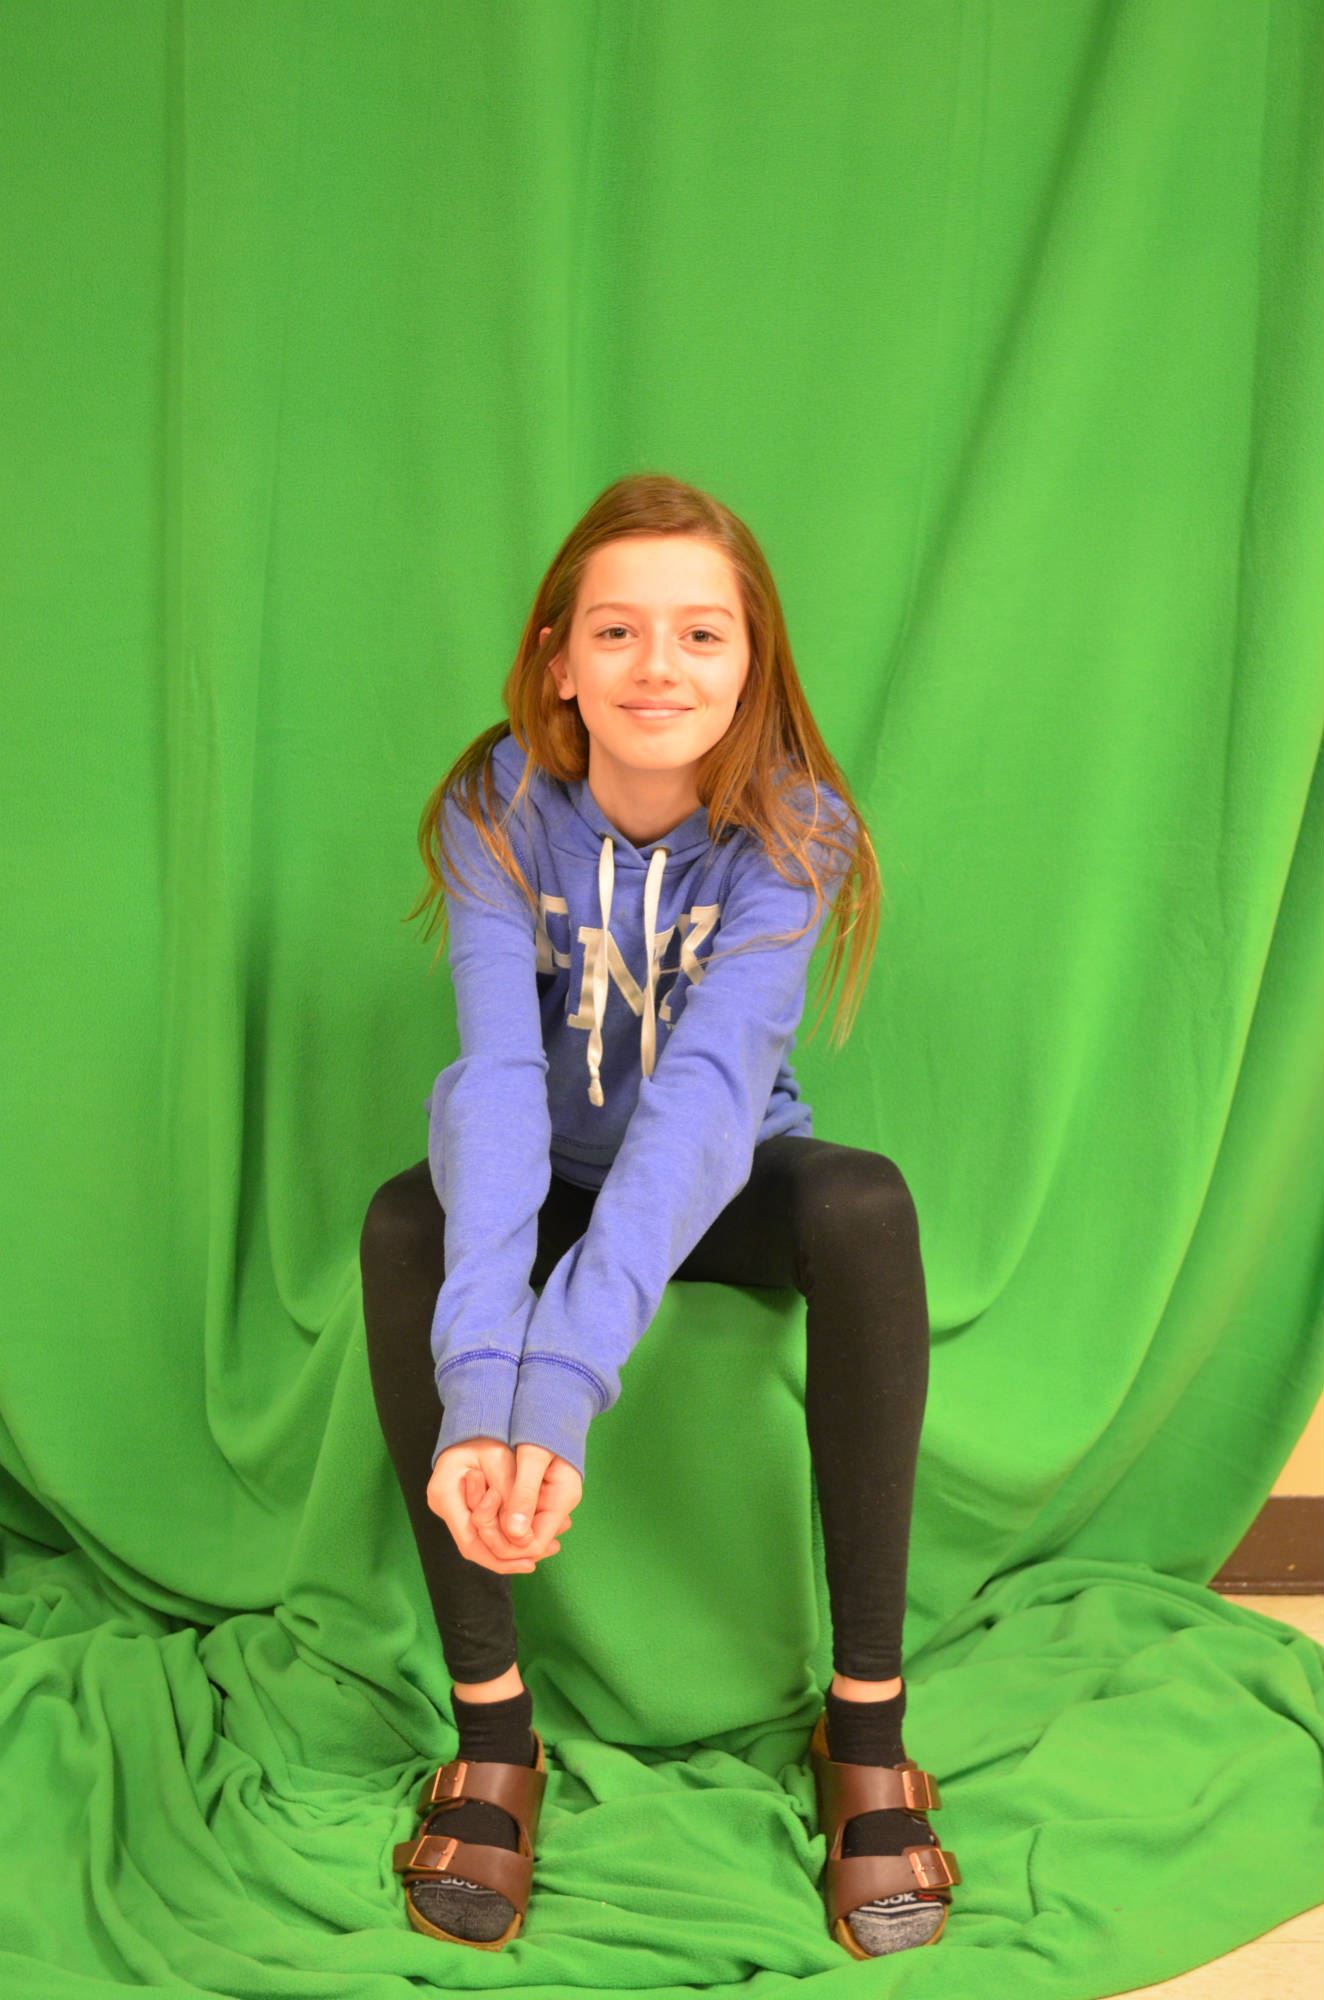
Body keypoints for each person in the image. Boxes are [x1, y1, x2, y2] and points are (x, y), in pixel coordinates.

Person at [359, 470, 961, 1958]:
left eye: (702, 634)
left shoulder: (797, 832)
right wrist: (485, 1389)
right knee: (401, 1226)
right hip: (542, 1172)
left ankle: (866, 1730)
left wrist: (562, 1385)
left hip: (719, 1176)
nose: (658, 667)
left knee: (867, 1207)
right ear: (560, 658)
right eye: (616, 631)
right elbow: (498, 1082)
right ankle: (492, 1731)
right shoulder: (499, 807)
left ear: (751, 663)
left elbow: (703, 1106)